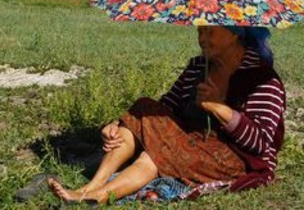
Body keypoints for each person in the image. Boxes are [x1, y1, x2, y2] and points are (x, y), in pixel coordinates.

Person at [46, 25, 286, 205]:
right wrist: (120, 124)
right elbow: (166, 108)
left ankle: (96, 195)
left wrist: (219, 108)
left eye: (210, 32)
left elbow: (260, 144)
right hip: (188, 143)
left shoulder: (262, 79)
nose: (202, 39)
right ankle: (94, 187)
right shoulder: (198, 67)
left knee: (155, 152)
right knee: (144, 110)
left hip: (231, 159)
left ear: (236, 32)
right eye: (199, 31)